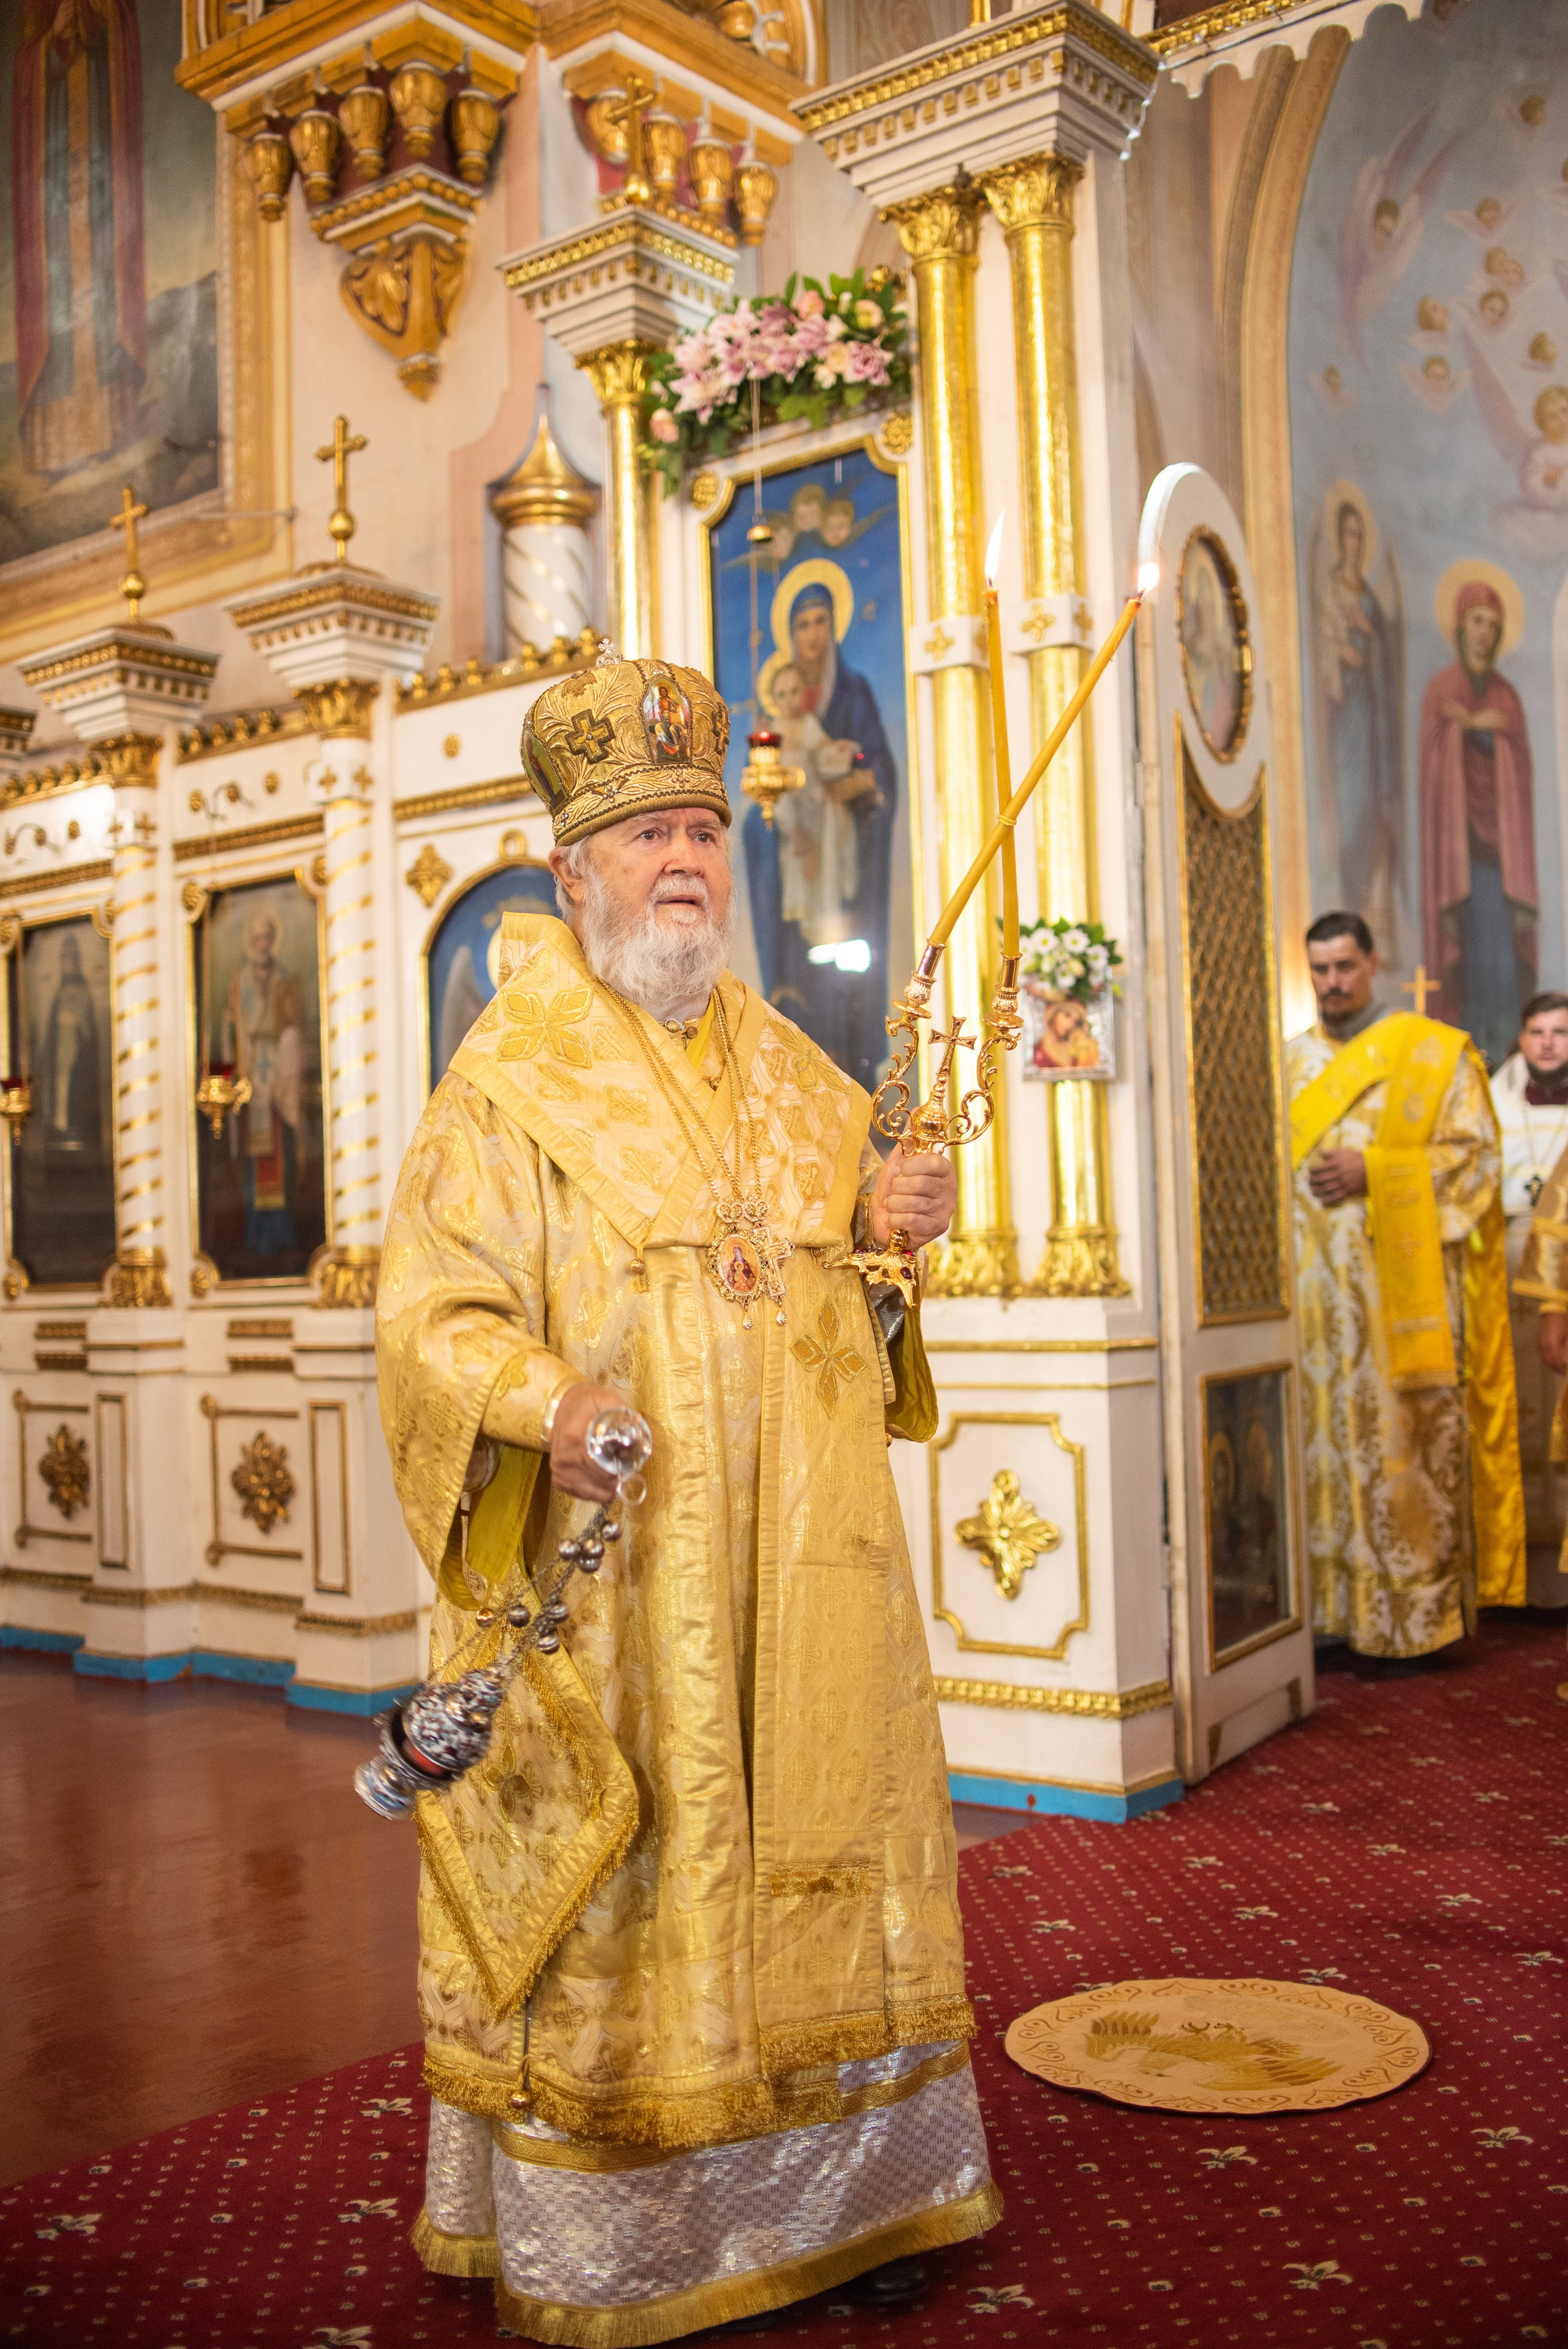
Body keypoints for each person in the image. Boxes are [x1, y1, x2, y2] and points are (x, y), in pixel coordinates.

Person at [377, 649, 998, 2343]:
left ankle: (852, 2194)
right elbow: (431, 1319)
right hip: (621, 1575)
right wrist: (547, 1401)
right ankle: (625, 2235)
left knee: (821, 1835)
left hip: (798, 1577)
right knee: (629, 1872)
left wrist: (893, 1241)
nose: (680, 861)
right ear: (571, 873)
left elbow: (842, 1322)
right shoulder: (504, 1084)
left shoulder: (803, 1075)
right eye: (644, 832)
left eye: (703, 831)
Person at [1286, 910, 1524, 1663]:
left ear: (1372, 962)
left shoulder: (1433, 1053)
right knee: (1317, 1456)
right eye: (1319, 970)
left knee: (1398, 1450)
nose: (1331, 982)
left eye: (1344, 967)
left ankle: (1409, 1623)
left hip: (1399, 1301)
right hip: (1310, 1314)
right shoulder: (1286, 1062)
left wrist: (1376, 1172)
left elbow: (1475, 1160)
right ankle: (1326, 1617)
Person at [1418, 576, 1536, 1068]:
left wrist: (1486, 728)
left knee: (1502, 965)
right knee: (1471, 960)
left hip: (1500, 857)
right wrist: (1460, 731)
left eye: (1494, 625)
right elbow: (1433, 768)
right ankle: (1473, 1059)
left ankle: (1508, 1056)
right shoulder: (1444, 689)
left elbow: (1518, 768)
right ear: (1460, 625)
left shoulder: (1506, 697)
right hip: (1461, 857)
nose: (1485, 634)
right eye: (1477, 622)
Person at [1491, 994, 1568, 1609]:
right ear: (1521, 1036)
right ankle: (1518, 1580)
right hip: (1504, 1264)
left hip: (1563, 1269)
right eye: (1537, 1030)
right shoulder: (1492, 1101)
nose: (1548, 1043)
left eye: (1561, 1032)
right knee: (1514, 1413)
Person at [224, 909, 305, 1257]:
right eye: (256, 938)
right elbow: (233, 1027)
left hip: (279, 1071)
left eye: (267, 937)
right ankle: (256, 1234)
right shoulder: (239, 981)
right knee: (254, 1157)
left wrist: (288, 1054)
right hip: (250, 1071)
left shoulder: (287, 979)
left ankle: (281, 1231)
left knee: (279, 1149)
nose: (262, 944)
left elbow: (294, 1026)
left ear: (274, 941)